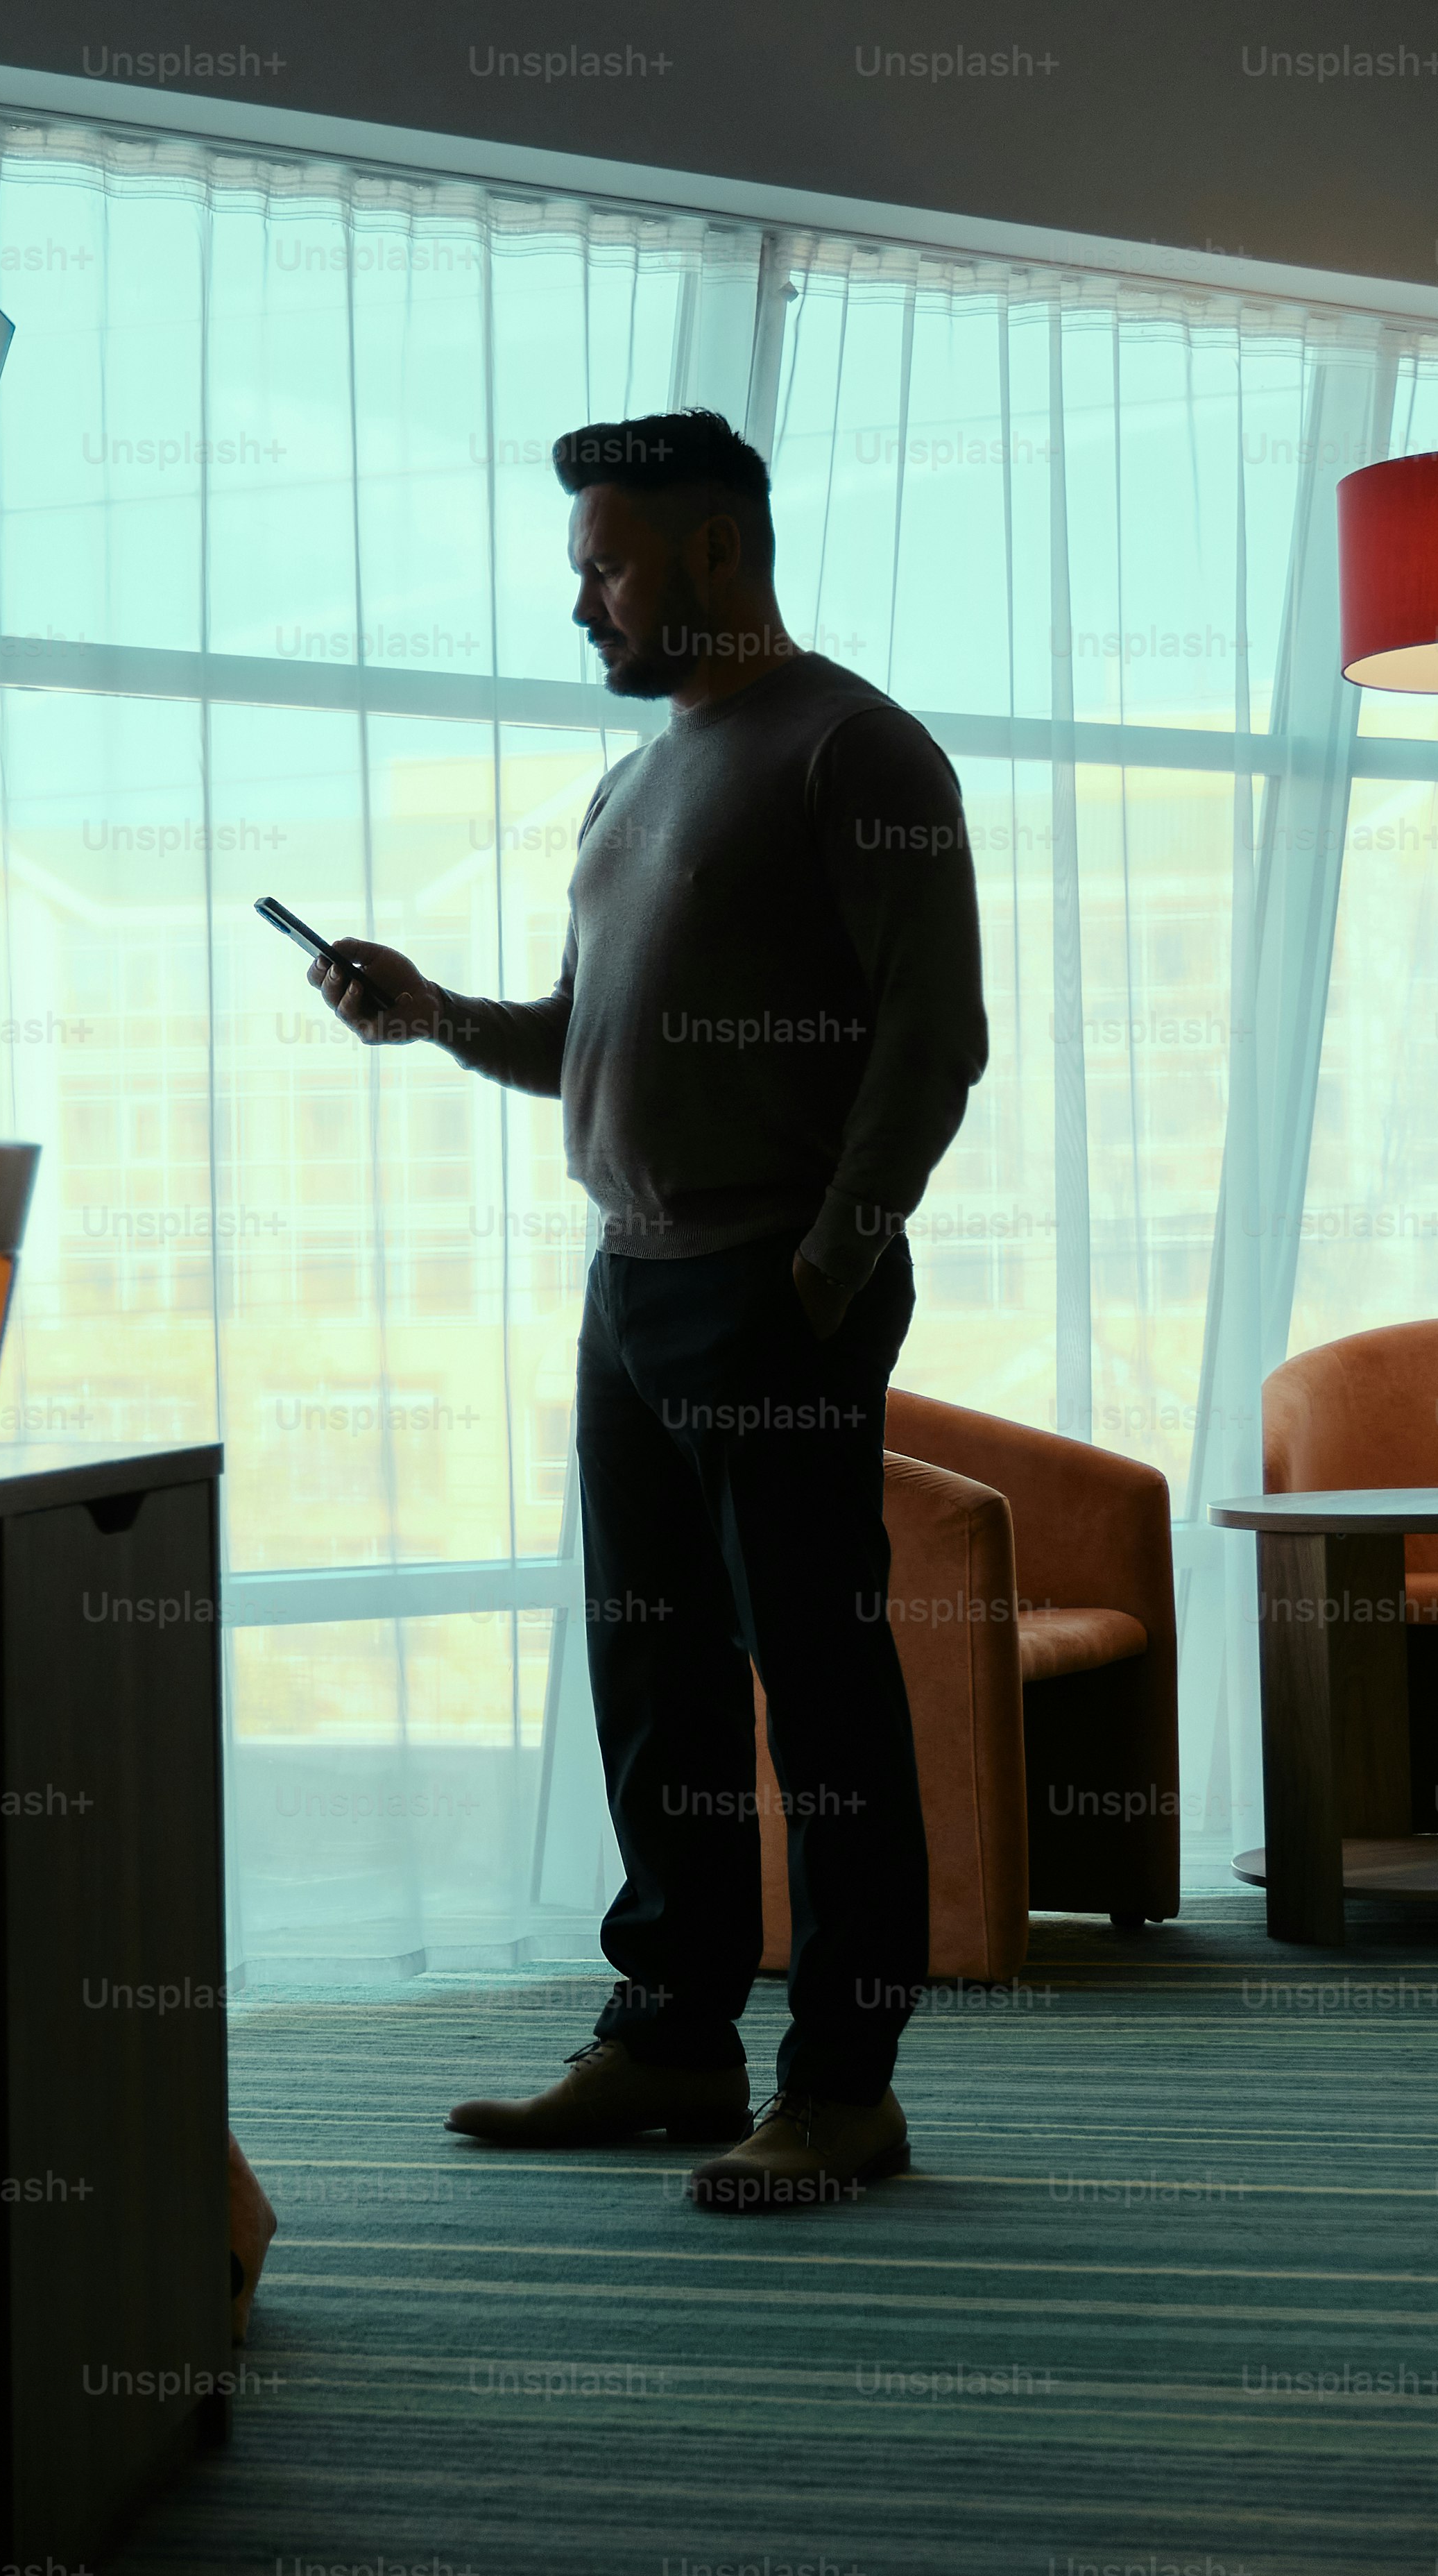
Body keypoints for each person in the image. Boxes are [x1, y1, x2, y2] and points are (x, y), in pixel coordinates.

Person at [305, 408, 986, 2212]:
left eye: (605, 565)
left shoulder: (856, 748)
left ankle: (845, 2089)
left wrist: (828, 1272)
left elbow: (935, 1042)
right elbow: (585, 1037)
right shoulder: (634, 783)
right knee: (657, 1682)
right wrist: (440, 1011)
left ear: (708, 551)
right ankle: (678, 2037)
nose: (585, 603)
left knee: (819, 1696)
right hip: (631, 1282)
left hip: (774, 1285)